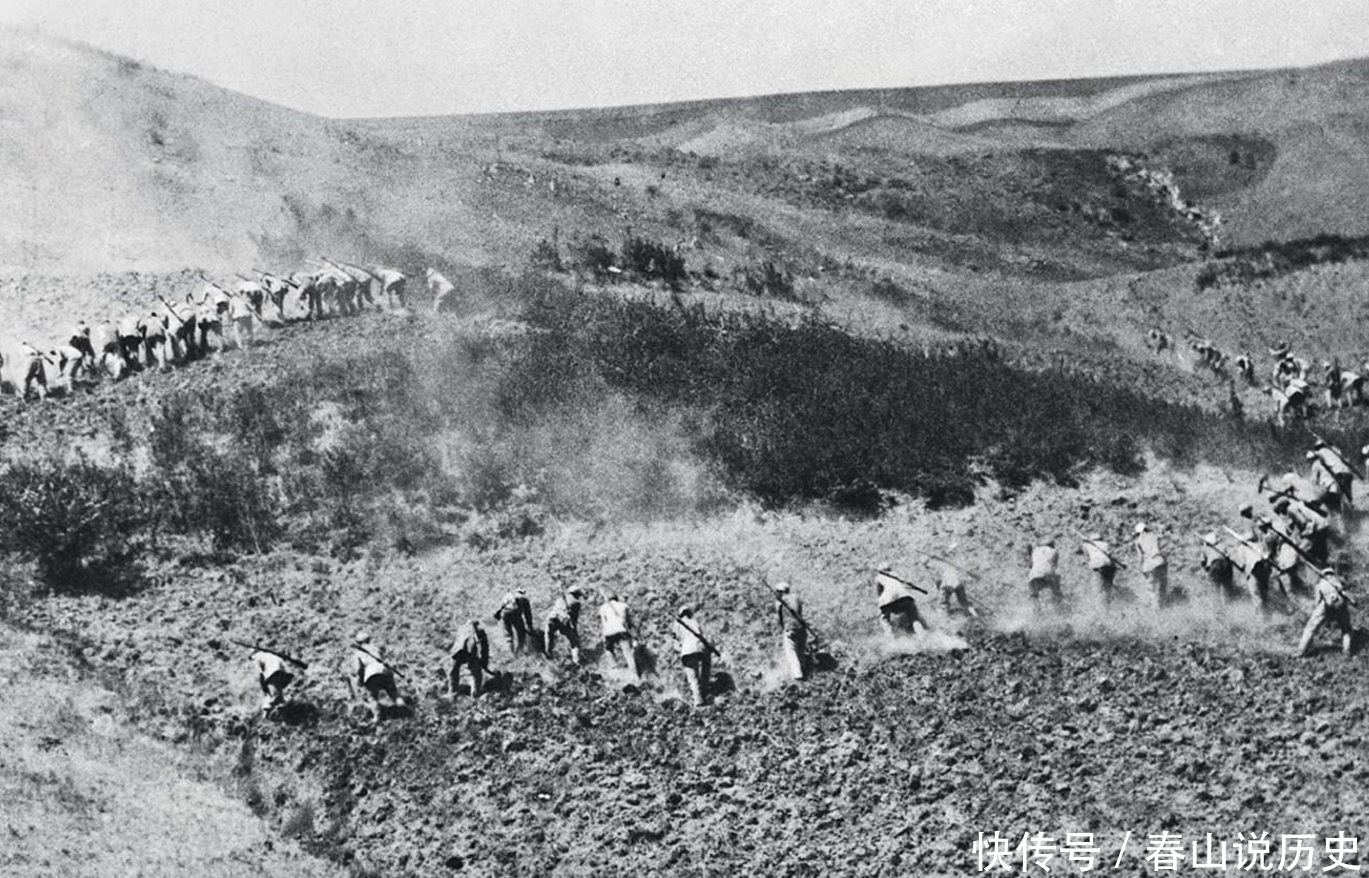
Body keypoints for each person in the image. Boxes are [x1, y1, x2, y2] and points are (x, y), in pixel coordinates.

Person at [1297, 568, 1355, 658]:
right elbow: (1346, 592)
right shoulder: (1338, 581)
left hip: (1326, 606)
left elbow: (1317, 601)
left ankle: (1301, 651)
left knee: (1310, 628)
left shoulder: (1321, 583)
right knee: (1346, 630)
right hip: (1341, 606)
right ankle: (1346, 652)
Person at [350, 631, 406, 722]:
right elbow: (384, 659)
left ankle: (377, 717)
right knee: (393, 692)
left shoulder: (358, 653)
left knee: (372, 697)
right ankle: (403, 708)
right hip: (385, 672)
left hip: (371, 676)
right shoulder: (376, 648)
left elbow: (359, 669)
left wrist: (360, 680)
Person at [874, 563, 928, 635]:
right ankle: (922, 634)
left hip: (888, 598)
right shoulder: (896, 575)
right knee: (914, 618)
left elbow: (879, 594)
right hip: (906, 596)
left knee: (884, 618)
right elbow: (904, 585)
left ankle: (890, 638)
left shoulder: (879, 577)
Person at [675, 607, 712, 706]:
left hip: (687, 651)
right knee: (705, 669)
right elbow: (702, 635)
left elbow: (678, 639)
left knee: (693, 678)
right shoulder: (695, 622)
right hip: (700, 648)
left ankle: (698, 700)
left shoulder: (678, 624)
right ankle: (705, 690)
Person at [772, 582, 808, 680]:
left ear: (780, 592)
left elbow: (780, 618)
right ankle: (804, 668)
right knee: (800, 650)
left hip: (790, 628)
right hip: (802, 628)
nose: (775, 594)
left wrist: (783, 628)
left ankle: (798, 675)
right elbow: (799, 611)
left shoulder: (780, 602)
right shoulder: (796, 598)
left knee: (791, 652)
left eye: (777, 592)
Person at [598, 593, 639, 678]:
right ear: (617, 599)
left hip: (609, 632)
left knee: (609, 649)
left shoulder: (603, 608)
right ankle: (635, 676)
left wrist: (604, 635)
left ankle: (614, 669)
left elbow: (603, 623)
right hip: (621, 631)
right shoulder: (624, 606)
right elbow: (629, 622)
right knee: (628, 654)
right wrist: (634, 634)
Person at [447, 619, 489, 698]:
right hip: (468, 652)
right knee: (476, 673)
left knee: (453, 672)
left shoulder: (462, 629)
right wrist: (484, 662)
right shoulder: (480, 632)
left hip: (457, 651)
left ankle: (452, 693)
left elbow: (455, 641)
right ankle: (475, 694)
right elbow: (484, 649)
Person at [544, 586, 585, 664]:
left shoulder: (561, 598)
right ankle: (576, 661)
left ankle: (548, 654)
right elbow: (574, 620)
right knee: (573, 641)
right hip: (563, 621)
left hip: (552, 618)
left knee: (548, 634)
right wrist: (575, 633)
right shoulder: (576, 603)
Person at [1131, 523, 1169, 606]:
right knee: (1162, 583)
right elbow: (1164, 544)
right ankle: (1164, 603)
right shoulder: (1154, 536)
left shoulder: (1138, 541)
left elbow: (1140, 556)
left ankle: (1155, 607)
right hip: (1161, 561)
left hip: (1150, 565)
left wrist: (1139, 568)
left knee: (1151, 586)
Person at [252, 648, 295, 717]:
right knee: (274, 695)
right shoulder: (269, 654)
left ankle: (265, 716)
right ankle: (281, 710)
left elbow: (260, 674)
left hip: (273, 674)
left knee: (275, 695)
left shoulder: (257, 657)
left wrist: (263, 686)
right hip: (285, 675)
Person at [493, 587, 534, 655]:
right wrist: (530, 627)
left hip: (505, 613)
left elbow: (500, 607)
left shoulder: (508, 595)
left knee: (508, 636)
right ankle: (520, 651)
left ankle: (511, 654)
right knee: (521, 634)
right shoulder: (524, 598)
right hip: (515, 613)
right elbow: (528, 614)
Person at [1199, 532, 1238, 601]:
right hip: (1226, 565)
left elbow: (1202, 561)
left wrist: (1206, 568)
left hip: (1215, 566)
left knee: (1215, 588)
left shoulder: (1204, 548)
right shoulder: (1223, 545)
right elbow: (1231, 555)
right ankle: (1231, 603)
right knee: (1228, 587)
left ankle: (1217, 607)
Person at [1079, 533, 1118, 602]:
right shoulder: (1105, 544)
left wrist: (1084, 542)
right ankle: (1109, 599)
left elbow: (1087, 557)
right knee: (1108, 585)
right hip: (1109, 566)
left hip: (1098, 566)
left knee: (1099, 587)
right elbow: (1111, 555)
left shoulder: (1087, 545)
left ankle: (1101, 602)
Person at [1027, 540, 1063, 608]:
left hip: (1034, 574)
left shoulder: (1035, 550)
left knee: (1034, 596)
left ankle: (1037, 613)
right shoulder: (1054, 551)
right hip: (1048, 573)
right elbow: (1055, 566)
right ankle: (1060, 610)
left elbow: (1030, 565)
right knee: (1057, 592)